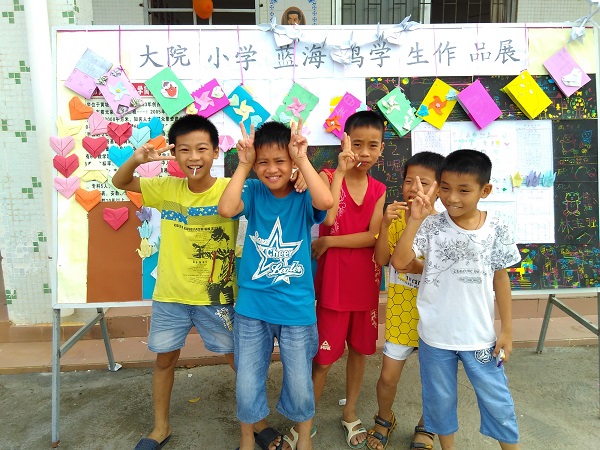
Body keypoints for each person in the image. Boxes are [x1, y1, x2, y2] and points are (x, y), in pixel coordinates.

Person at [112, 114, 239, 450]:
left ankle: (256, 421)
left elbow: (273, 191)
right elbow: (120, 182)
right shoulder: (165, 187)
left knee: (237, 360)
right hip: (171, 297)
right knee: (165, 360)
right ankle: (160, 427)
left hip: (217, 297)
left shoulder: (231, 189)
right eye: (184, 150)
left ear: (216, 152)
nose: (193, 157)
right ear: (174, 154)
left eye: (202, 149)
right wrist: (137, 160)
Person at [391, 149, 522, 450]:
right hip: (435, 337)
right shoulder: (431, 226)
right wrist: (414, 220)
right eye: (446, 188)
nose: (452, 198)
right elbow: (399, 262)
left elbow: (501, 278)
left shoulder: (496, 228)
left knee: (497, 401)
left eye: (464, 190)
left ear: (485, 191)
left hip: (480, 337)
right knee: (439, 401)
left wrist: (507, 330)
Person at [218, 119, 333, 450]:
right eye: (263, 162)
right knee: (247, 381)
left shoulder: (303, 193)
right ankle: (247, 437)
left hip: (296, 307)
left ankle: (304, 438)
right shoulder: (253, 191)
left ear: (292, 160)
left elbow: (326, 203)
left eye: (280, 161)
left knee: (300, 383)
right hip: (253, 306)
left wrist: (302, 160)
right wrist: (243, 165)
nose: (271, 169)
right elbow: (226, 209)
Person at [311, 110, 386, 449]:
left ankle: (350, 412)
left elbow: (373, 236)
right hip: (333, 285)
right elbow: (327, 217)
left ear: (381, 149)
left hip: (365, 282)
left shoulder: (379, 189)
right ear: (344, 143)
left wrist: (329, 243)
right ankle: (305, 418)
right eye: (357, 144)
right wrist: (340, 172)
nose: (364, 153)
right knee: (323, 359)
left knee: (359, 351)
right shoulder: (327, 175)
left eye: (372, 145)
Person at [367, 151, 444, 450]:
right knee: (388, 377)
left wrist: (418, 267)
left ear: (439, 188)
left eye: (423, 182)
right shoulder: (397, 217)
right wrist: (385, 226)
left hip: (436, 316)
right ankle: (384, 418)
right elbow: (381, 259)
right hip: (401, 312)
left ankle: (426, 426)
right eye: (409, 181)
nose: (414, 188)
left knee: (435, 379)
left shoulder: (447, 224)